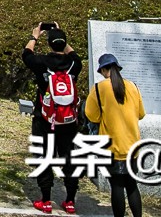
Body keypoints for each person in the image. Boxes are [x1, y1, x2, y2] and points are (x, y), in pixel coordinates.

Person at [22, 23, 84, 214]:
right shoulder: (74, 64)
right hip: (68, 121)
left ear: (48, 44)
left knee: (44, 156)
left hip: (45, 118)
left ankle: (46, 201)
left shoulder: (41, 62)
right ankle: (70, 201)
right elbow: (73, 55)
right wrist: (60, 35)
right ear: (64, 43)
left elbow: (26, 55)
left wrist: (35, 35)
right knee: (68, 157)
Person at [84, 53, 147, 217]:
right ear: (117, 68)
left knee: (117, 187)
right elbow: (141, 114)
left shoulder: (99, 88)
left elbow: (91, 115)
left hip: (112, 146)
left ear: (104, 70)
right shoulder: (133, 86)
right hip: (133, 145)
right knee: (132, 185)